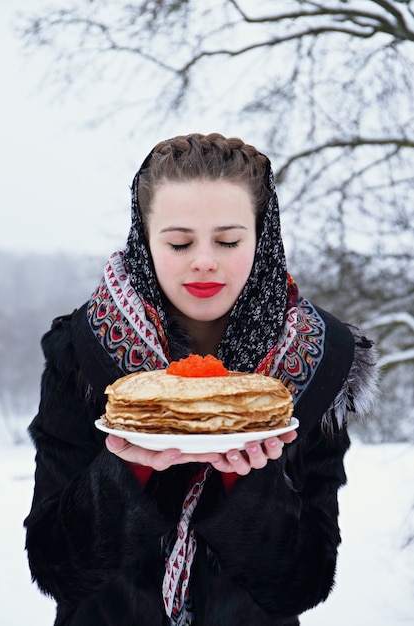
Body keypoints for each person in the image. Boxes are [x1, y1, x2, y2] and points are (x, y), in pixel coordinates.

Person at [24, 133, 378, 626]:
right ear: (145, 240)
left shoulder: (319, 361)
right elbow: (54, 568)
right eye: (179, 242)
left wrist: (244, 478)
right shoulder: (85, 351)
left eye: (229, 240)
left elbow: (303, 584)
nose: (205, 260)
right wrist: (131, 471)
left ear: (263, 237)